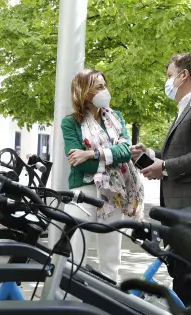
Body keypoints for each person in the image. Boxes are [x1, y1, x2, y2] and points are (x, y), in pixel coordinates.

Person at [131, 53, 191, 306]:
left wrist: (164, 167)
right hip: (182, 207)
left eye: (170, 75)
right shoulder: (190, 106)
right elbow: (183, 152)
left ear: (184, 75)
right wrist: (152, 155)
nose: (168, 81)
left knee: (187, 279)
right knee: (182, 276)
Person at [61, 69, 144, 284]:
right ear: (84, 92)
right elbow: (79, 163)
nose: (104, 90)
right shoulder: (70, 123)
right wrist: (110, 157)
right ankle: (70, 296)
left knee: (111, 254)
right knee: (75, 250)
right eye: (98, 87)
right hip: (84, 191)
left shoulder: (116, 118)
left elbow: (126, 152)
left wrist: (93, 153)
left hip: (113, 190)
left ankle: (108, 297)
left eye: (104, 85)